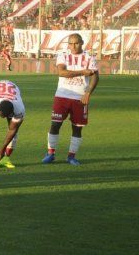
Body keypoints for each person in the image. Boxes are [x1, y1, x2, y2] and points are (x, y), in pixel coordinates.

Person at [42, 33, 98, 165]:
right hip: (62, 96)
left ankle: (71, 156)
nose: (73, 46)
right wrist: (82, 72)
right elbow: (61, 73)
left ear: (82, 43)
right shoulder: (63, 55)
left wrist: (88, 93)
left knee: (77, 128)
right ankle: (50, 153)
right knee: (55, 125)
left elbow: (95, 76)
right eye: (70, 43)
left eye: (76, 43)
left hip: (80, 98)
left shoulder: (89, 57)